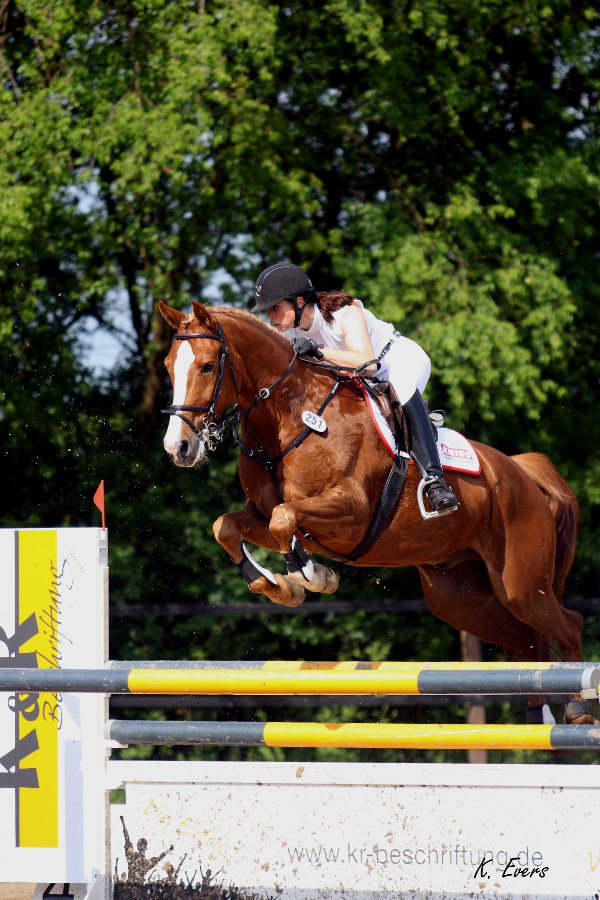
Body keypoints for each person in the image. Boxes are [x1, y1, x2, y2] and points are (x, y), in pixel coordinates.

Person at [251, 262, 458, 515]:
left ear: (299, 301)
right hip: (356, 376)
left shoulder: (345, 312)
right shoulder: (290, 334)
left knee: (401, 386)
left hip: (396, 360)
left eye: (275, 308)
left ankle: (436, 483)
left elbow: (367, 364)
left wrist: (318, 351)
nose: (270, 316)